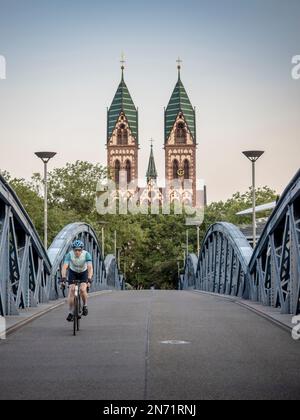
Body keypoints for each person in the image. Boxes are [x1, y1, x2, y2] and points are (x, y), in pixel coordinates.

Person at [61, 240, 93, 322]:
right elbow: (65, 267)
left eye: (79, 250)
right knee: (71, 290)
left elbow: (90, 267)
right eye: (75, 250)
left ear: (82, 250)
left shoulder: (86, 254)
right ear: (73, 250)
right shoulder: (69, 255)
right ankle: (71, 312)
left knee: (82, 289)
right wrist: (63, 278)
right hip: (73, 272)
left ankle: (85, 306)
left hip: (83, 272)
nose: (77, 252)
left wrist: (89, 279)